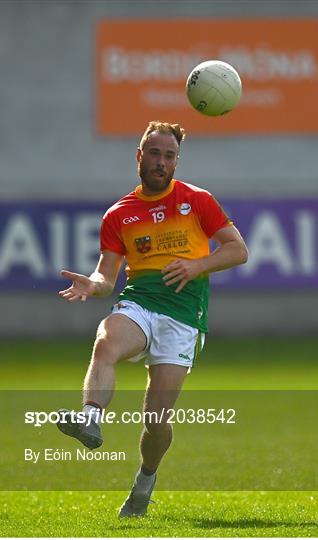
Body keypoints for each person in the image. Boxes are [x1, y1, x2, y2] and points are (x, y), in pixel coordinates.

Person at [57, 120, 248, 518]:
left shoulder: (197, 200)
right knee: (106, 341)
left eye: (170, 155)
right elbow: (106, 276)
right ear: (139, 156)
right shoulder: (119, 214)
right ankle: (90, 420)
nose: (162, 162)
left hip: (184, 315)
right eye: (155, 153)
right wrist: (91, 285)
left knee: (155, 419)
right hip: (140, 301)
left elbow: (237, 251)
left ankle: (145, 481)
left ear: (177, 161)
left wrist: (197, 266)